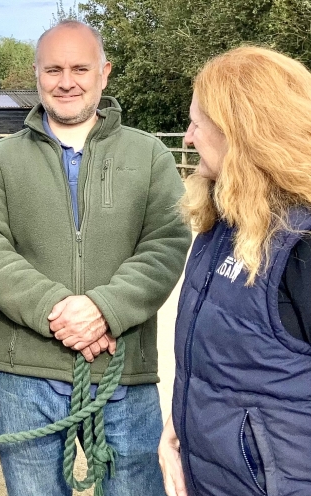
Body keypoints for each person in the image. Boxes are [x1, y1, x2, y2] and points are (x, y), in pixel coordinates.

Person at [0, 20, 191, 495]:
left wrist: (104, 310)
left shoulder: (149, 156)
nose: (67, 81)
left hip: (123, 369)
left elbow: (165, 243)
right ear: (37, 75)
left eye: (80, 68)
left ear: (103, 73)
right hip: (26, 375)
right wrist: (59, 311)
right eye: (54, 69)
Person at [159, 46, 311, 496]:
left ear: (241, 133)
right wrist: (178, 422)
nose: (187, 138)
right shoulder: (224, 222)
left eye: (197, 125)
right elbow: (220, 361)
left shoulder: (302, 246)